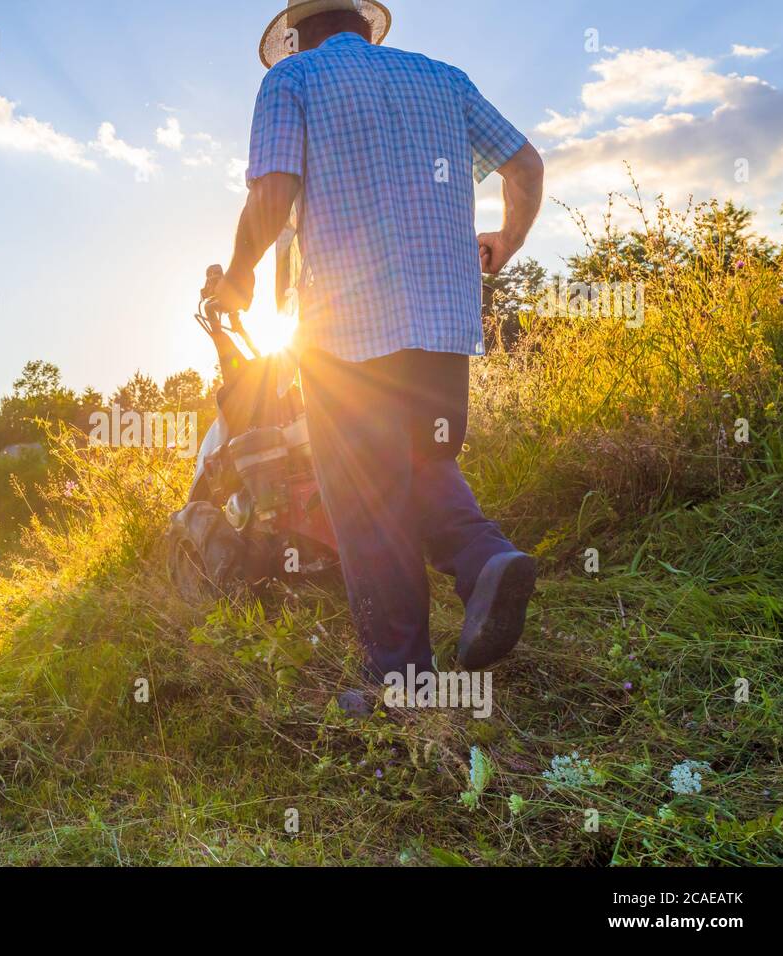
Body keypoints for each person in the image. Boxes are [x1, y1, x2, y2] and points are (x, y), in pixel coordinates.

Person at [212, 0, 546, 710]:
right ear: (364, 26)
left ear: (297, 37)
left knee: (367, 499)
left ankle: (402, 683)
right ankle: (487, 560)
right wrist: (506, 241)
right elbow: (524, 165)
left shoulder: (292, 80)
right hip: (444, 320)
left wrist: (238, 277)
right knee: (422, 460)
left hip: (347, 330)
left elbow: (274, 192)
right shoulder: (443, 78)